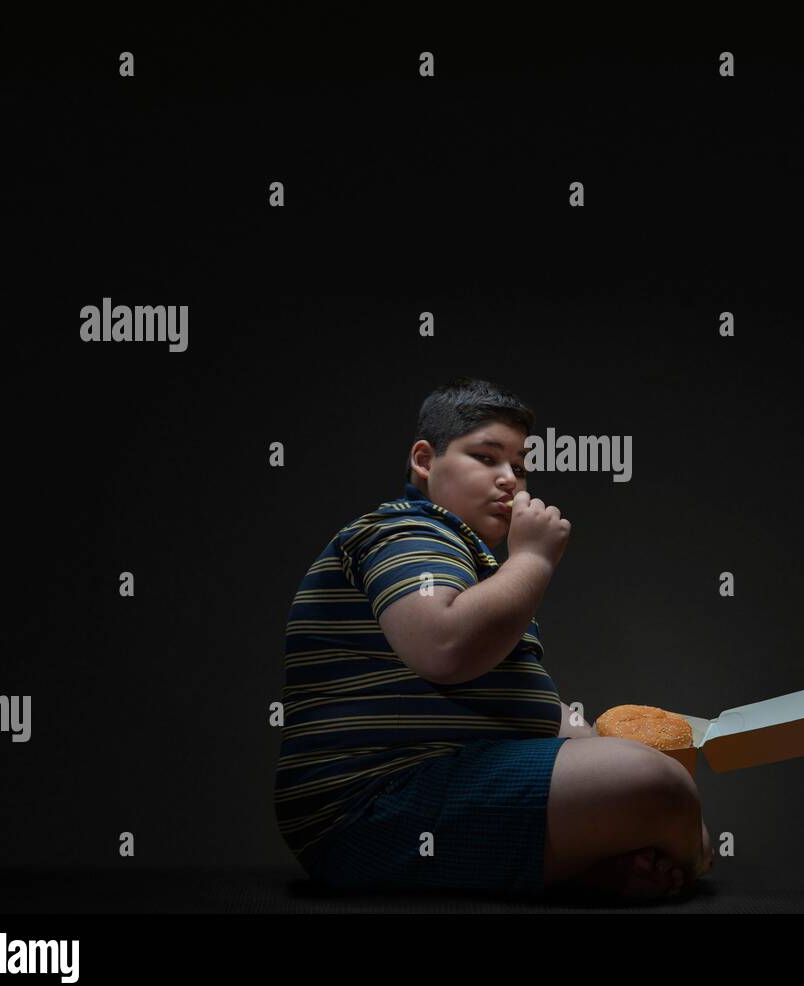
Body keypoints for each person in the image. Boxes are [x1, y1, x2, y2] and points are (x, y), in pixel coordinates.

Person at [274, 377, 711, 899]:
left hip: (438, 785)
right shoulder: (406, 532)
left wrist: (591, 742)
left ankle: (583, 870)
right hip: (373, 803)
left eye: (521, 467)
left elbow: (506, 707)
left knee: (644, 774)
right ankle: (669, 849)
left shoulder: (474, 566)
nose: (511, 481)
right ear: (424, 461)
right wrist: (531, 559)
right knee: (652, 784)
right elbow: (444, 647)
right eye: (487, 457)